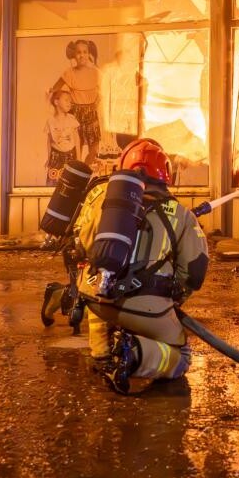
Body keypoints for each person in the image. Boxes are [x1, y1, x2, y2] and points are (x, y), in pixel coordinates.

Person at [74, 138, 209, 394]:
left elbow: (83, 245)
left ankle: (102, 354)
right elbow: (195, 272)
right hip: (144, 306)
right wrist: (173, 299)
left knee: (107, 299)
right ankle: (132, 355)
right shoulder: (181, 214)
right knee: (181, 356)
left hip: (94, 297)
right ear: (165, 173)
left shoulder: (107, 203)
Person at [51, 39, 102, 165]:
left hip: (91, 113)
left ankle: (85, 169)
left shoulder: (96, 72)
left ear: (89, 54)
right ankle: (77, 171)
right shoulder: (69, 73)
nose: (82, 55)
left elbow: (104, 91)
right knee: (76, 148)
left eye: (85, 52)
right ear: (74, 55)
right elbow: (54, 89)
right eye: (78, 52)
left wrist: (97, 102)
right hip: (75, 113)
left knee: (94, 149)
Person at [45, 88, 81, 185]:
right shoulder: (50, 121)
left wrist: (79, 158)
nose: (69, 103)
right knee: (53, 181)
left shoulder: (72, 119)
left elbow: (77, 139)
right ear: (56, 102)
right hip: (55, 157)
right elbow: (49, 141)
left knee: (69, 182)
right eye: (66, 100)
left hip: (70, 156)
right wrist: (49, 158)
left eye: (70, 101)